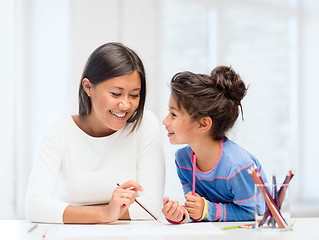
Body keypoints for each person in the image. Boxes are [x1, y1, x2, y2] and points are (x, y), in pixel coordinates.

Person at [25, 42, 165, 224]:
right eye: (116, 94)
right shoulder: (58, 131)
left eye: (134, 95)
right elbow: (34, 206)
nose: (125, 105)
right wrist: (106, 213)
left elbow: (152, 208)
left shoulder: (145, 125)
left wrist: (72, 212)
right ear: (88, 87)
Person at [162, 65, 267, 223]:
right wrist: (182, 214)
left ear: (203, 124)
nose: (165, 121)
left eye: (173, 114)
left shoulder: (237, 165)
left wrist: (206, 210)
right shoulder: (183, 160)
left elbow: (256, 213)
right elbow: (198, 209)